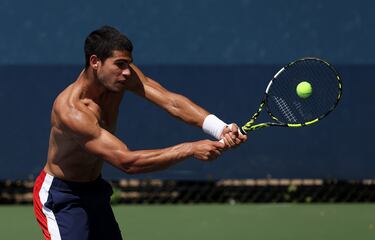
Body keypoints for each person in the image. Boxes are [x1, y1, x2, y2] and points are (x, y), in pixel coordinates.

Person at [33, 26, 247, 240]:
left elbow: (171, 101)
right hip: (62, 196)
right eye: (119, 64)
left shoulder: (122, 78)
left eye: (128, 63)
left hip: (95, 190)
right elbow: (127, 162)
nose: (127, 71)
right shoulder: (72, 111)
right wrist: (189, 149)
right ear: (95, 62)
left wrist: (220, 128)